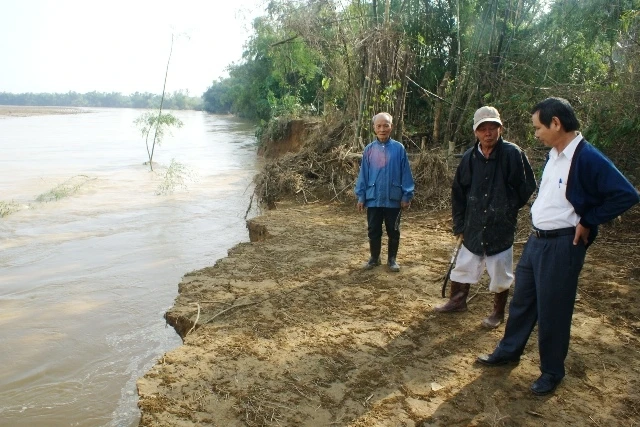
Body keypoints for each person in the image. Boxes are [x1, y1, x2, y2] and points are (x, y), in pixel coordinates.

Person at [477, 97, 639, 395]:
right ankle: (509, 351)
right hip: (537, 241)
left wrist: (590, 219)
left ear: (556, 123)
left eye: (539, 127)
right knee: (523, 302)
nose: (535, 133)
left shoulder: (587, 157)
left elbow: (625, 195)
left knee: (554, 309)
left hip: (563, 245)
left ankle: (552, 371)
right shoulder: (554, 154)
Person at [435, 106, 536, 329]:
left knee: (501, 271)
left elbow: (526, 185)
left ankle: (498, 312)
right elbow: (458, 194)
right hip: (472, 225)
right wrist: (459, 224)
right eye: (483, 129)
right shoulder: (469, 158)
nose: (488, 133)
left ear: (501, 129)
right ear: (476, 132)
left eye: (493, 128)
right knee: (464, 265)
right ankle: (457, 301)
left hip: (501, 227)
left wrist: (508, 208)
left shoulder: (512, 154)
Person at [354, 112, 415, 272]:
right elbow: (363, 175)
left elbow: (406, 174)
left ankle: (392, 259)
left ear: (391, 127)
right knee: (373, 229)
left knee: (393, 230)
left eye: (386, 125)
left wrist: (406, 195)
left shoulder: (399, 149)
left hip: (393, 198)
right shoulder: (369, 150)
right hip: (373, 198)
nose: (382, 129)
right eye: (379, 126)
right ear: (374, 128)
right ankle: (374, 258)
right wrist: (361, 196)